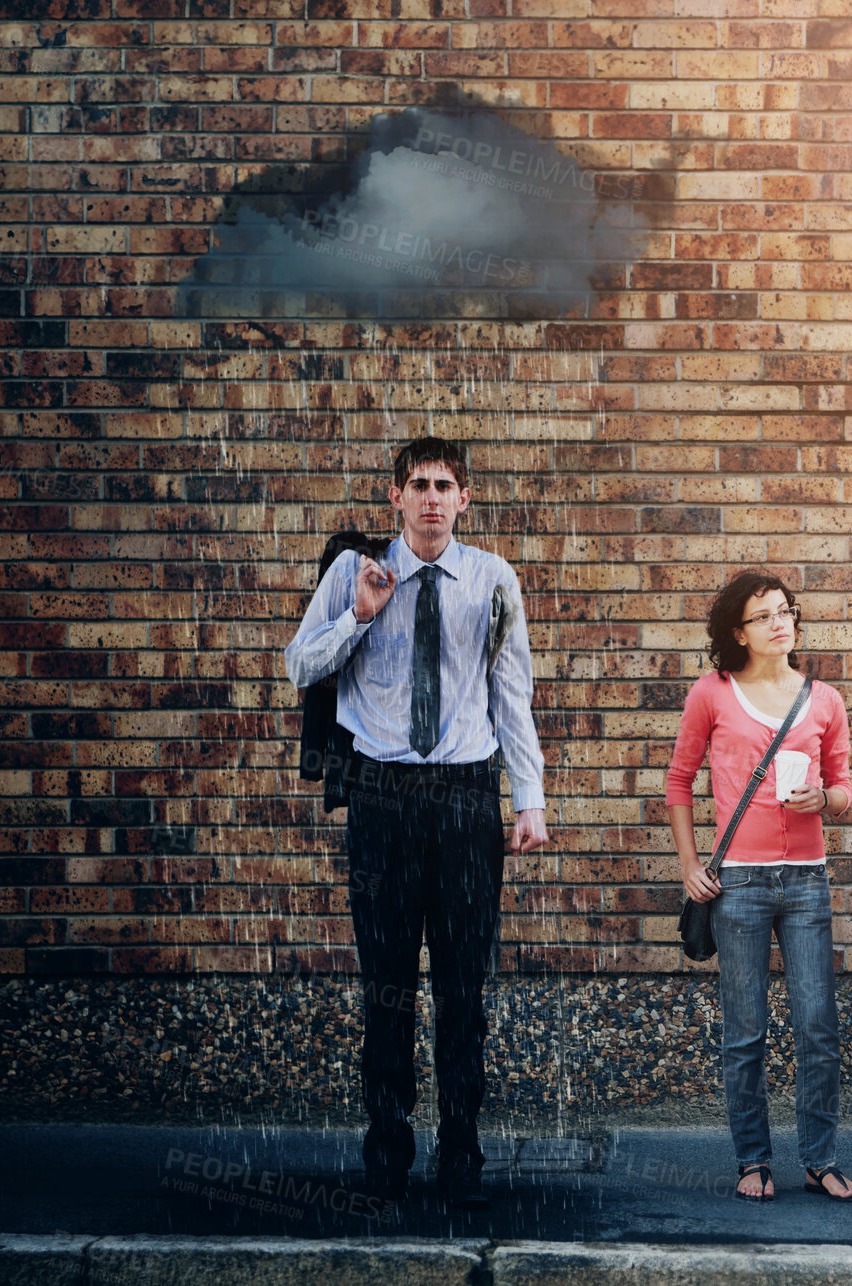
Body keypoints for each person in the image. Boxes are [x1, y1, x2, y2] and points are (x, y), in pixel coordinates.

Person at [284, 436, 550, 1208]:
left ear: (465, 500)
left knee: (463, 990)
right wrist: (361, 617)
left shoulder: (493, 578)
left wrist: (528, 799)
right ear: (395, 496)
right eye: (419, 485)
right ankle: (386, 1154)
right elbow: (302, 665)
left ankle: (460, 1154)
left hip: (466, 799)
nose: (432, 498)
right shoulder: (353, 573)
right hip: (380, 799)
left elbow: (512, 693)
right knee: (387, 986)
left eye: (446, 486)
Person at [666, 571, 852, 1204]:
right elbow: (678, 781)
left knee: (817, 1027)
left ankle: (820, 1159)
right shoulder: (713, 693)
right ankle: (753, 1161)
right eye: (764, 616)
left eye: (786, 612)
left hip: (808, 881)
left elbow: (845, 789)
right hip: (740, 885)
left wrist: (825, 798)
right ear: (738, 632)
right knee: (745, 1029)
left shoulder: (824, 700)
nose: (781, 623)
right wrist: (689, 863)